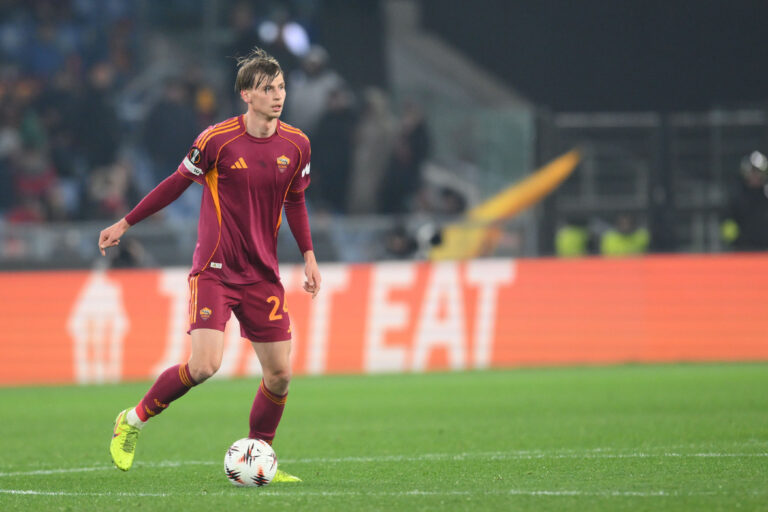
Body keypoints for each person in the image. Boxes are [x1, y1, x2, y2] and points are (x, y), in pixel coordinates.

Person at [98, 48, 321, 483]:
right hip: (216, 269)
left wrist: (310, 255)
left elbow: (296, 200)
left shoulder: (297, 144)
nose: (278, 96)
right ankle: (132, 420)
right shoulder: (216, 140)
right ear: (246, 95)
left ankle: (260, 457)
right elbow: (175, 184)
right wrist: (126, 222)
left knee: (279, 375)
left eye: (281, 87)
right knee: (204, 366)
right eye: (267, 89)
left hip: (262, 273)